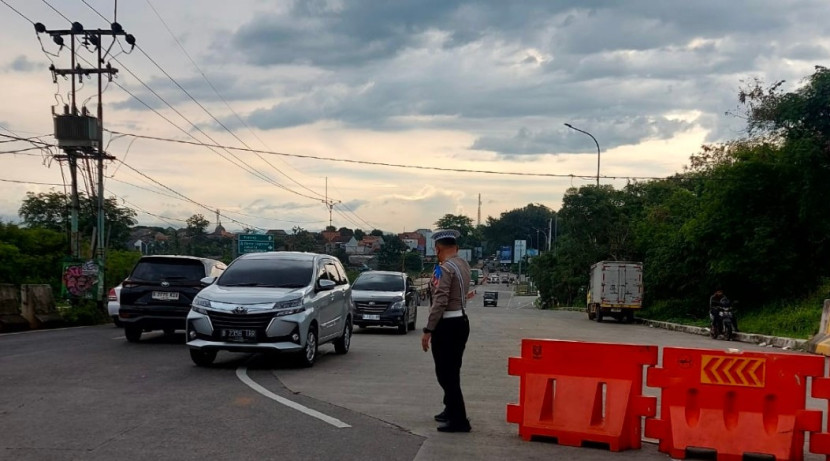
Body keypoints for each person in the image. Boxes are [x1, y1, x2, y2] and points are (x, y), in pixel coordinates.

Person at [421, 229, 472, 433]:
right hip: (461, 321)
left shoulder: (443, 269)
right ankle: (450, 409)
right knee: (453, 370)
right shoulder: (463, 264)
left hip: (447, 325)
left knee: (445, 373)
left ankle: (459, 419)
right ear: (456, 248)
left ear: (438, 249)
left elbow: (440, 300)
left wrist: (428, 329)